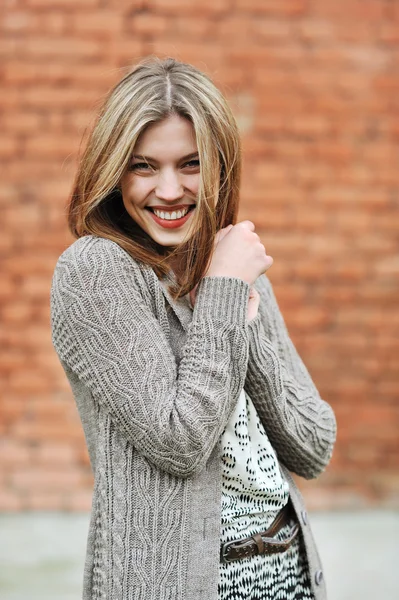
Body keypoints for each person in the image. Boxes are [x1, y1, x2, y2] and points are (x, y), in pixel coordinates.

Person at [50, 57, 337, 600]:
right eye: (143, 166)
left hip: (287, 574)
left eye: (191, 164)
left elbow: (312, 444)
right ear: (112, 169)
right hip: (177, 585)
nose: (169, 190)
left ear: (221, 167)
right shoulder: (95, 272)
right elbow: (180, 443)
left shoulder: (228, 266)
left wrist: (233, 301)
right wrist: (226, 299)